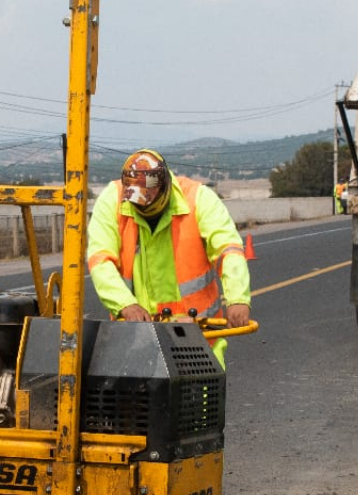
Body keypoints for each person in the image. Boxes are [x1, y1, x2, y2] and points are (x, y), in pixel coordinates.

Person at [87, 149, 250, 364]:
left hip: (197, 338)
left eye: (148, 201)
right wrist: (125, 304)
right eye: (137, 202)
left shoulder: (198, 198)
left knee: (202, 386)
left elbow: (227, 249)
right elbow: (100, 260)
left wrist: (237, 298)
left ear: (164, 187)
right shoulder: (113, 200)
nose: (143, 207)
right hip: (137, 340)